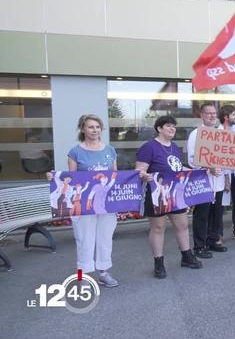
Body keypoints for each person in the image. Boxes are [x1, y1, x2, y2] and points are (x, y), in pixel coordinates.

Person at [49, 114, 120, 287]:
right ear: (83, 129)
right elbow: (71, 179)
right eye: (90, 127)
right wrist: (53, 177)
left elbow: (115, 176)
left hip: (106, 203)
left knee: (105, 238)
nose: (94, 130)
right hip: (83, 203)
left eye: (97, 127)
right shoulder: (75, 152)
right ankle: (84, 275)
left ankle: (104, 272)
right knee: (84, 239)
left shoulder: (110, 150)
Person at [136, 115, 202, 279]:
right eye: (168, 126)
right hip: (156, 193)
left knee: (183, 225)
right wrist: (144, 175)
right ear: (159, 128)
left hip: (175, 193)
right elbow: (139, 170)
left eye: (174, 126)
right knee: (158, 228)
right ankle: (158, 262)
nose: (172, 129)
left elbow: (179, 169)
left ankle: (187, 256)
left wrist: (201, 171)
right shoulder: (149, 147)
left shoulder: (174, 147)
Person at [187, 103, 227, 259]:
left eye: (214, 113)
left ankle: (213, 240)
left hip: (219, 180)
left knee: (217, 213)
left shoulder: (221, 133)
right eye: (208, 113)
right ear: (202, 115)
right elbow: (192, 159)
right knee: (202, 214)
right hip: (204, 181)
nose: (212, 116)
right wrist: (208, 167)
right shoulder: (196, 134)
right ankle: (199, 246)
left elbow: (228, 156)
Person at [219, 104, 235, 237]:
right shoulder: (217, 132)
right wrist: (225, 177)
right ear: (226, 116)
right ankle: (219, 234)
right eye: (234, 115)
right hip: (222, 173)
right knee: (220, 204)